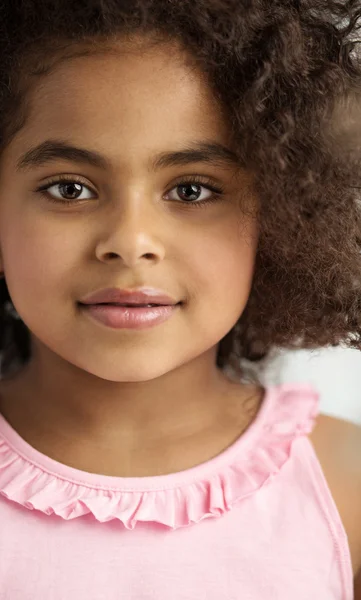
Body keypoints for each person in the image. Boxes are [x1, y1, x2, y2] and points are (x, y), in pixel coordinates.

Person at [0, 0, 360, 598]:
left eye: (192, 190)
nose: (131, 242)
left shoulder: (346, 486)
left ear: (280, 215)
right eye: (70, 188)